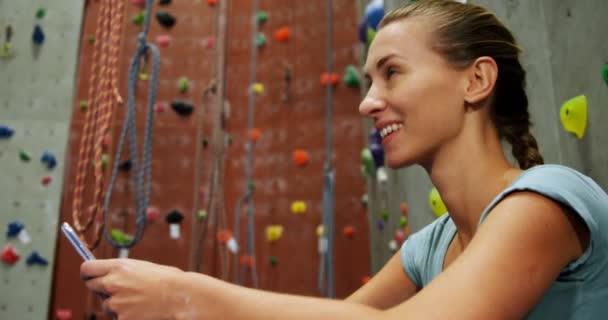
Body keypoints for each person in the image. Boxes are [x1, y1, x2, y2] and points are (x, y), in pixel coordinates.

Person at [81, 0, 608, 319]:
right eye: (370, 78)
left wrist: (182, 296)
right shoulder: (432, 247)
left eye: (392, 72)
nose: (367, 101)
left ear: (476, 80)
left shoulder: (546, 200)